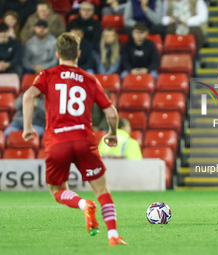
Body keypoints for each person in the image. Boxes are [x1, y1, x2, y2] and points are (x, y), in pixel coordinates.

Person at [22, 32, 127, 246]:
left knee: (58, 190)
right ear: (78, 54)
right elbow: (112, 113)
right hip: (83, 140)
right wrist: (113, 133)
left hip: (57, 141)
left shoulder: (47, 75)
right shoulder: (89, 79)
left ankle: (82, 204)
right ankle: (113, 235)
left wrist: (27, 127)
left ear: (57, 53)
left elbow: (28, 96)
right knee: (102, 190)